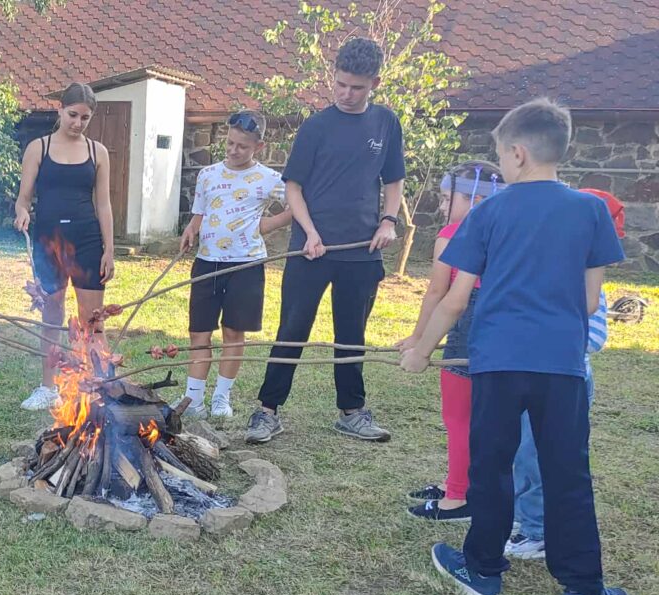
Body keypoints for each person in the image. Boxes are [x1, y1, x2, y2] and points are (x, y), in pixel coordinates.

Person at [402, 98, 630, 595]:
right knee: (568, 472)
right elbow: (591, 302)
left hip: (497, 364)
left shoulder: (489, 212)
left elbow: (456, 300)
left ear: (519, 154)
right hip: (563, 367)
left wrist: (420, 351)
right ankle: (584, 593)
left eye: (502, 158)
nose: (502, 167)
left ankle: (482, 569)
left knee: (491, 465)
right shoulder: (592, 211)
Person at [245, 37, 405, 444]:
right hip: (310, 249)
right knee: (292, 329)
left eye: (357, 87)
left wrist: (388, 221)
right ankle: (267, 411)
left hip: (361, 251)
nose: (347, 94)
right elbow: (293, 188)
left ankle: (352, 411)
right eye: (341, 85)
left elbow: (394, 179)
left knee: (352, 334)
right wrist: (311, 232)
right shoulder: (317, 127)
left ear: (375, 83)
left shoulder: (386, 123)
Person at [505, 188, 626, 559]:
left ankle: (537, 530)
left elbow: (595, 337)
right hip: (529, 378)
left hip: (563, 383)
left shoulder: (588, 287)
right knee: (520, 453)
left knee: (540, 457)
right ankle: (521, 516)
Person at [397, 162, 505, 521]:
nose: (442, 207)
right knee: (482, 414)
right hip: (499, 320)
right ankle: (459, 481)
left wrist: (419, 340)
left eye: (447, 198)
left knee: (457, 415)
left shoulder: (452, 234)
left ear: (474, 198)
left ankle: (457, 497)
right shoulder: (507, 230)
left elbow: (439, 292)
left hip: (467, 320)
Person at [177, 111, 293, 419]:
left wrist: (265, 225)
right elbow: (200, 212)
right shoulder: (208, 174)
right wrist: (192, 228)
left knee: (233, 333)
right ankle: (194, 399)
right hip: (207, 263)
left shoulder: (269, 179)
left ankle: (221, 397)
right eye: (229, 143)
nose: (233, 150)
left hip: (246, 266)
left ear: (259, 146)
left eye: (242, 146)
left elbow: (295, 207)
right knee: (199, 332)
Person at [14, 82, 115, 410]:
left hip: (87, 240)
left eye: (85, 118)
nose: (78, 122)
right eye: (73, 115)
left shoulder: (97, 151)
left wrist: (109, 249)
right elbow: (24, 198)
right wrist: (21, 213)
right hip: (49, 239)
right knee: (51, 313)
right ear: (60, 110)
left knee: (92, 319)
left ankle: (98, 388)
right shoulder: (38, 148)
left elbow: (103, 205)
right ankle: (48, 387)